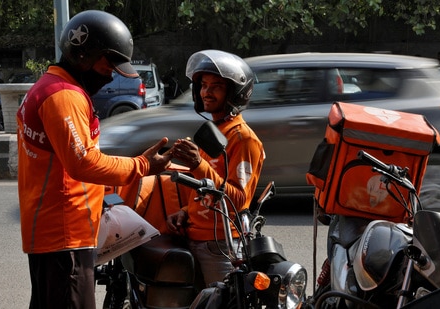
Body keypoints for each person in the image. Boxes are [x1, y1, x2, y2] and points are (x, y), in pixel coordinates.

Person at [16, 10, 172, 309]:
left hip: (54, 232)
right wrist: (142, 166)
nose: (112, 72)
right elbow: (83, 163)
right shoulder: (63, 96)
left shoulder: (48, 88)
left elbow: (66, 161)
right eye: (109, 62)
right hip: (65, 236)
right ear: (84, 54)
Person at [165, 49, 266, 289]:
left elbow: (240, 199)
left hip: (220, 244)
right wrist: (185, 211)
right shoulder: (214, 131)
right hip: (193, 236)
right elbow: (204, 187)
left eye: (216, 86)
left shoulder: (243, 139)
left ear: (234, 93)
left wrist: (197, 165)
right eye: (203, 85)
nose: (206, 92)